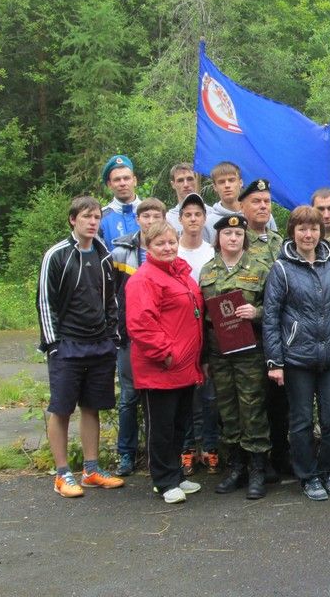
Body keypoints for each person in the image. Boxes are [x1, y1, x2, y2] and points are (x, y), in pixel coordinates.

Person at [263, 206, 330, 501]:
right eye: (302, 229)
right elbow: (271, 317)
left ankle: (329, 471)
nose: (309, 234)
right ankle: (307, 476)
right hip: (296, 359)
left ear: (321, 231)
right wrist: (275, 361)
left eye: (314, 228)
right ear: (293, 231)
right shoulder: (281, 269)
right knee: (302, 421)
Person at [37, 196, 124, 497]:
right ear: (73, 219)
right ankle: (63, 474)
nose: (92, 222)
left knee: (92, 407)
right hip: (67, 346)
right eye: (86, 216)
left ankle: (91, 470)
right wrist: (53, 345)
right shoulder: (57, 255)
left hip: (99, 345)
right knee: (61, 409)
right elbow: (45, 302)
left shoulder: (104, 254)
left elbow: (112, 300)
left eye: (97, 217)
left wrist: (112, 338)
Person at [125, 221, 205, 504]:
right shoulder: (144, 279)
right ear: (148, 247)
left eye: (171, 242)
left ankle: (177, 475)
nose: (168, 247)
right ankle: (163, 480)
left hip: (185, 367)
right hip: (160, 368)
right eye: (160, 244)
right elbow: (140, 324)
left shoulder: (181, 274)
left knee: (178, 426)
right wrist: (166, 353)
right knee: (161, 427)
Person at [200, 215, 272, 499]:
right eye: (228, 233)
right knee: (227, 410)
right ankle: (236, 466)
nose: (233, 238)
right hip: (219, 353)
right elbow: (202, 319)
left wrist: (257, 313)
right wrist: (204, 356)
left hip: (249, 352)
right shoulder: (207, 271)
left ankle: (257, 468)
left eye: (238, 234)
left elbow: (276, 307)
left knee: (252, 408)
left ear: (245, 238)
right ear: (218, 238)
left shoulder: (261, 269)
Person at [110, 197, 168, 477]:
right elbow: (111, 295)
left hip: (161, 336)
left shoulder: (169, 249)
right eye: (145, 216)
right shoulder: (121, 250)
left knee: (157, 398)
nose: (150, 220)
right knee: (129, 397)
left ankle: (159, 455)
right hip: (129, 335)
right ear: (138, 219)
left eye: (156, 215)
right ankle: (126, 454)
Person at [238, 178, 290, 478]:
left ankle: (282, 456)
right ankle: (256, 461)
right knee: (253, 401)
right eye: (256, 202)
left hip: (282, 336)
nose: (262, 206)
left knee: (281, 400)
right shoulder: (235, 240)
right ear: (243, 206)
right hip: (250, 338)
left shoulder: (279, 242)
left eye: (267, 202)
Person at [175, 193, 220, 477]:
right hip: (180, 332)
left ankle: (211, 447)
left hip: (208, 330)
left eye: (198, 214)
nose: (193, 219)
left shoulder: (211, 252)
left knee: (210, 395)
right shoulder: (172, 250)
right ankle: (187, 449)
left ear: (204, 219)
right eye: (188, 215)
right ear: (180, 219)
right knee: (185, 397)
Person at [99, 154, 141, 251]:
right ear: (109, 184)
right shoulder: (100, 218)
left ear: (134, 181)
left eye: (126, 178)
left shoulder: (153, 213)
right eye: (117, 180)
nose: (122, 183)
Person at [166, 162, 213, 243]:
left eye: (190, 179)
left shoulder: (212, 214)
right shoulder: (168, 219)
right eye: (180, 180)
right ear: (173, 184)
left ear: (196, 180)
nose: (186, 184)